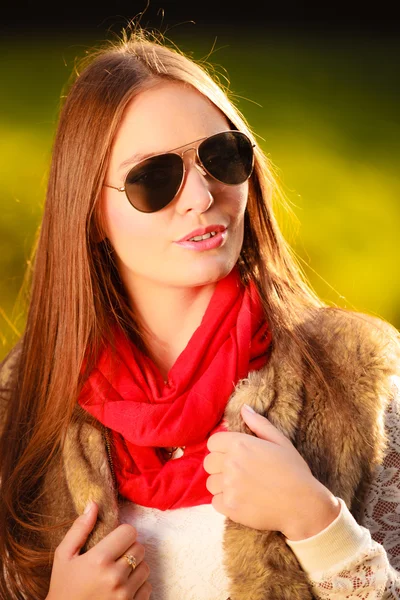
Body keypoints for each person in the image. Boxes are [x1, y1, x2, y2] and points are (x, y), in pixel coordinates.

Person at [0, 22, 399, 600]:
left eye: (221, 156)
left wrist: (318, 525)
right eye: (154, 179)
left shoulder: (355, 375)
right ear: (88, 212)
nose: (201, 197)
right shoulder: (22, 406)